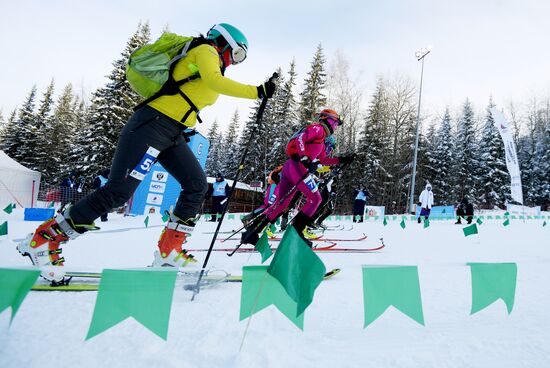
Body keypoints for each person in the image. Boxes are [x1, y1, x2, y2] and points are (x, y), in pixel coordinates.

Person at [17, 23, 277, 283]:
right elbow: (213, 81)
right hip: (152, 126)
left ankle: (169, 250)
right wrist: (257, 92)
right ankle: (44, 240)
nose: (235, 62)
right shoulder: (207, 51)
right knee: (118, 192)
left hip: (172, 133)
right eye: (237, 55)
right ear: (224, 43)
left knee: (196, 185)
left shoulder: (209, 58)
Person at [241, 109, 355, 247]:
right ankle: (296, 233)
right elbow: (301, 138)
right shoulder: (318, 128)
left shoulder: (322, 140)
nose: (336, 127)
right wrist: (303, 156)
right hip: (297, 167)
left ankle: (252, 231)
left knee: (281, 204)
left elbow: (323, 160)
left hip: (291, 168)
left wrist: (342, 160)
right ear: (329, 120)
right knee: (316, 198)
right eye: (336, 123)